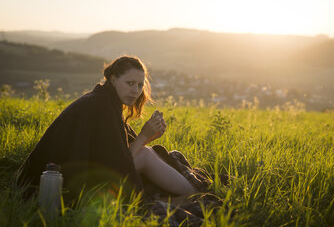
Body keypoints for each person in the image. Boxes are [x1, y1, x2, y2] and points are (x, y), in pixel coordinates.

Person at [15, 55, 197, 199]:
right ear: (113, 78)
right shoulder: (101, 105)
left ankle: (189, 192)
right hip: (53, 183)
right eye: (130, 83)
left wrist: (149, 136)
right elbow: (116, 164)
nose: (136, 90)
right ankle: (194, 194)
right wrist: (142, 136)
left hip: (53, 178)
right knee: (146, 154)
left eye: (140, 85)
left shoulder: (104, 99)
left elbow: (111, 153)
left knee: (146, 150)